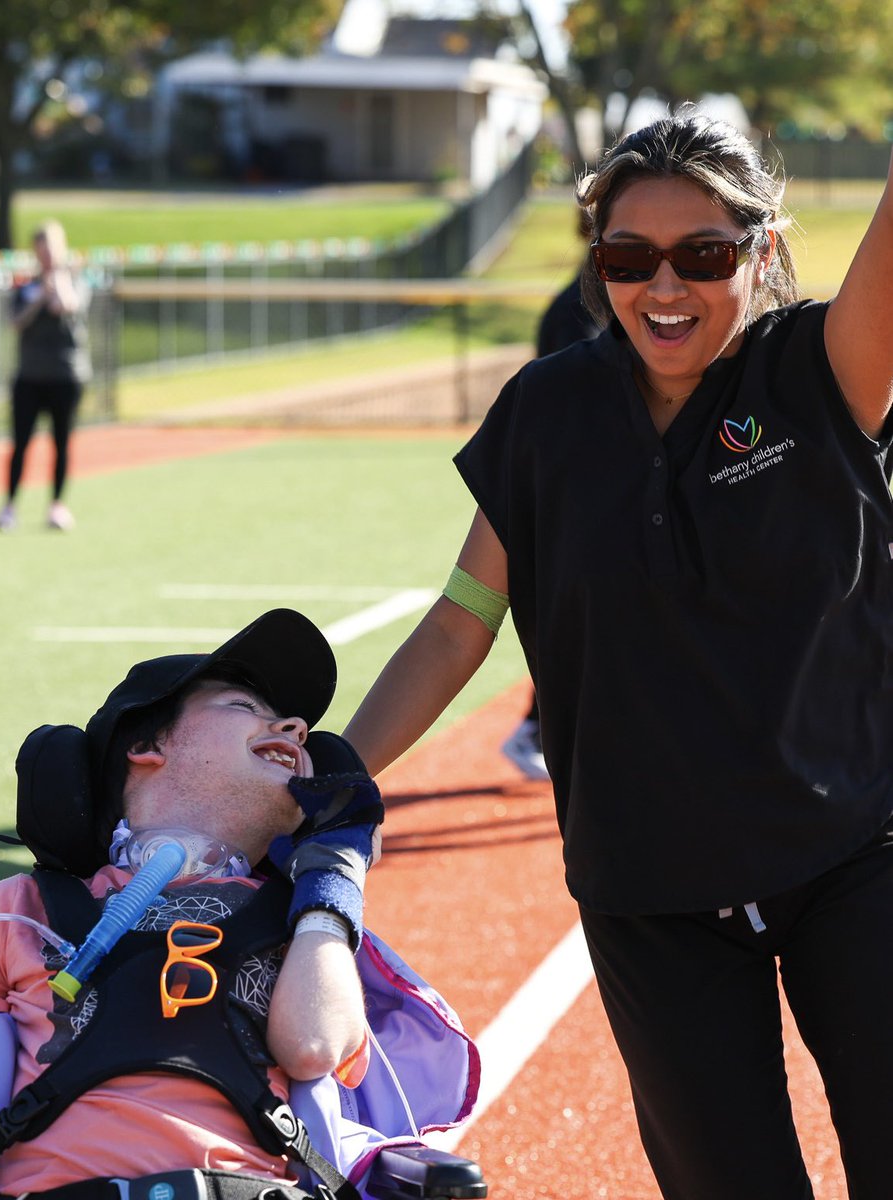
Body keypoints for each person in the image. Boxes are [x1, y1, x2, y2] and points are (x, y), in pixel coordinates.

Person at [343, 107, 893, 1200]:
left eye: (704, 256)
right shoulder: (548, 411)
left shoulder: (823, 368)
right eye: (629, 258)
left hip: (852, 858)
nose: (665, 286)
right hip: (648, 886)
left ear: (760, 252)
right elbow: (461, 618)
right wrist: (335, 774)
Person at [0, 609, 478, 1200]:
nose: (297, 728)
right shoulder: (20, 909)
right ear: (147, 747)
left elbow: (315, 1047)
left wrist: (333, 880)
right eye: (245, 706)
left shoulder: (303, 922)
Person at [500, 215, 602, 782]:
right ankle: (538, 728)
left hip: (595, 491)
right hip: (578, 494)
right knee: (580, 628)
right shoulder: (576, 309)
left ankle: (540, 727)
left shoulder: (591, 302)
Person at [0, 220, 91, 533]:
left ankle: (57, 505)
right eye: (42, 249)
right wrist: (40, 297)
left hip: (65, 375)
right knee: (20, 443)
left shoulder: (76, 280)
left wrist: (59, 280)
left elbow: (69, 306)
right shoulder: (27, 286)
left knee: (61, 443)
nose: (47, 254)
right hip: (30, 377)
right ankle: (9, 506)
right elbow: (15, 322)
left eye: (52, 248)